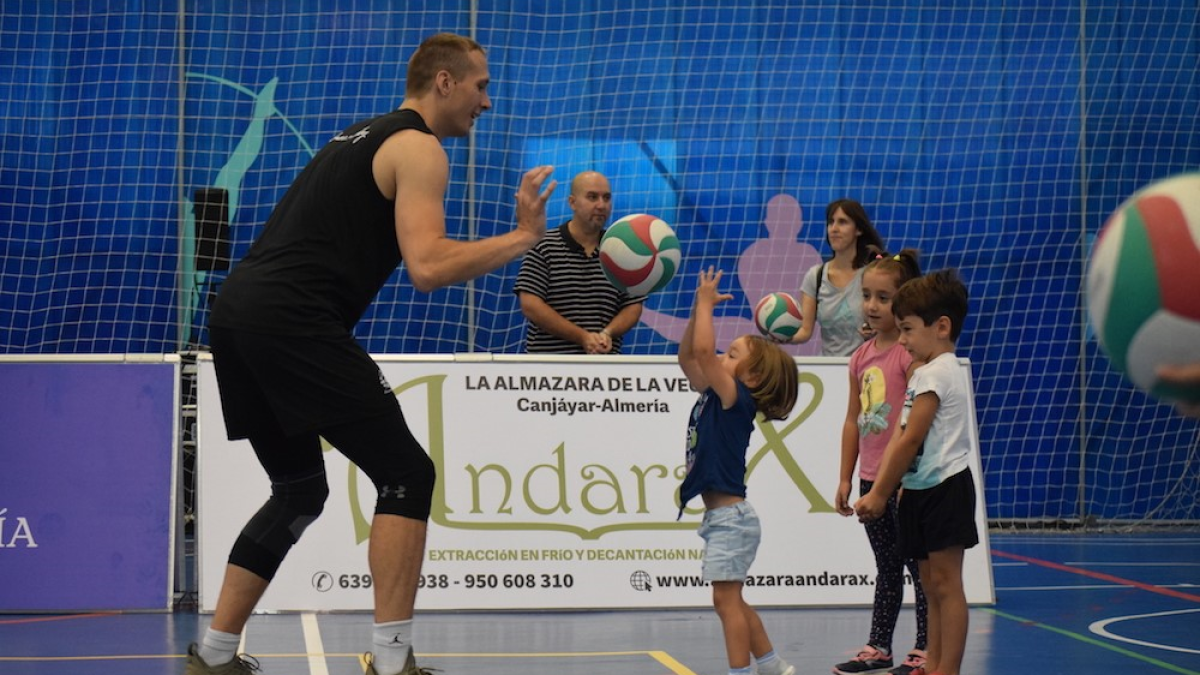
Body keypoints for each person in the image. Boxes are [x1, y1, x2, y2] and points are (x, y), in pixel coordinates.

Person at [188, 33, 557, 675]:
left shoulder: (359, 134)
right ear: (444, 82)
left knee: (299, 490)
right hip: (290, 319)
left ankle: (215, 654)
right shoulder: (418, 147)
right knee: (408, 475)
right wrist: (525, 236)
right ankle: (391, 662)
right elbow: (428, 265)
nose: (488, 102)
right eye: (481, 86)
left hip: (238, 315)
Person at [676, 267, 800, 675]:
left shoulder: (735, 396)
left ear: (752, 376)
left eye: (732, 355)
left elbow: (704, 351)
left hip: (731, 520)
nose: (719, 357)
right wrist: (697, 308)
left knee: (725, 602)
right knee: (731, 600)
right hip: (724, 518)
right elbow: (689, 356)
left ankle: (741, 672)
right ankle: (772, 664)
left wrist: (708, 308)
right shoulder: (717, 390)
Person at [855, 269, 977, 675]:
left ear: (941, 327)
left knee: (946, 585)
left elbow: (909, 440)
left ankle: (947, 667)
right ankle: (934, 661)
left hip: (945, 489)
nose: (902, 339)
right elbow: (902, 435)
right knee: (929, 584)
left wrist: (878, 492)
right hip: (920, 489)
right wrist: (902, 486)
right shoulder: (927, 370)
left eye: (907, 330)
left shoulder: (937, 371)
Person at [832, 248, 929, 675]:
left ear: (903, 301)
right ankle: (879, 648)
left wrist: (908, 475)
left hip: (906, 479)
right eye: (866, 295)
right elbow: (853, 420)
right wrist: (845, 478)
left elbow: (914, 425)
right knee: (886, 565)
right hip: (872, 481)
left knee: (920, 566)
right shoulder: (860, 356)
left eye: (883, 298)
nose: (871, 306)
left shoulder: (910, 357)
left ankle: (927, 647)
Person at [513, 170, 645, 353]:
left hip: (605, 369)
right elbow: (530, 304)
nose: (601, 205)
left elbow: (633, 306)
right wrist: (582, 337)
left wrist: (607, 333)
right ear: (572, 202)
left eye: (606, 198)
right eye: (592, 197)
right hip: (550, 370)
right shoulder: (543, 245)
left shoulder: (622, 250)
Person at [790, 198, 885, 356]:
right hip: (828, 370)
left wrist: (877, 330)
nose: (834, 229)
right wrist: (777, 336)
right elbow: (804, 331)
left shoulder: (872, 274)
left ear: (858, 230)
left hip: (866, 366)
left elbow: (891, 325)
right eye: (831, 222)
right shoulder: (815, 276)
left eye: (842, 222)